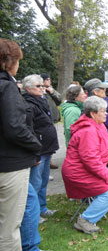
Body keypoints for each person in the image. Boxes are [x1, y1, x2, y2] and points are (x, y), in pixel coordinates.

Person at [62, 96, 108, 234]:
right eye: (103, 111)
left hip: (93, 168)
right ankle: (85, 220)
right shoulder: (88, 131)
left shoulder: (99, 125)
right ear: (93, 113)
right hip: (78, 173)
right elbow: (90, 161)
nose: (106, 114)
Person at [0, 38, 42, 251]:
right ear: (10, 61)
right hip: (9, 165)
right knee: (9, 227)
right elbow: (15, 127)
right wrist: (36, 146)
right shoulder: (7, 87)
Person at [23, 74, 59, 220]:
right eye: (38, 86)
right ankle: (34, 214)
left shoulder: (42, 101)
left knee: (43, 181)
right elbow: (28, 129)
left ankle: (42, 208)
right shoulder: (28, 105)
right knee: (35, 183)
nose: (42, 88)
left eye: (43, 86)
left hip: (47, 148)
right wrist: (35, 151)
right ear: (28, 88)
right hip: (38, 150)